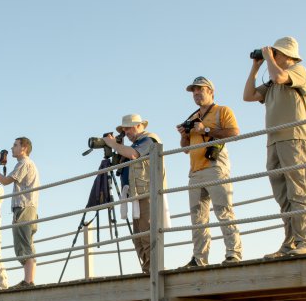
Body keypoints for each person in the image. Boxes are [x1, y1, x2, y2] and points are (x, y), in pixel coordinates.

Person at [243, 36, 306, 257]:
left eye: (276, 53)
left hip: (294, 138)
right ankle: (290, 243)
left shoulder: (297, 71)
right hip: (273, 140)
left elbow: (281, 76)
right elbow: (248, 96)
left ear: (286, 55)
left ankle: (305, 241)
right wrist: (255, 68)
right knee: (283, 196)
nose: (272, 56)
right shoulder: (272, 80)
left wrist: (268, 59)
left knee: (298, 191)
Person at [177, 77, 243, 267]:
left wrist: (205, 128)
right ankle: (199, 258)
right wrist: (184, 135)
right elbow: (185, 148)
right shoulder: (192, 117)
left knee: (223, 211)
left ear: (211, 91)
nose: (196, 93)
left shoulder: (222, 111)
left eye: (200, 90)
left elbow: (234, 133)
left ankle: (233, 253)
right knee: (197, 218)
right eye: (194, 91)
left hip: (215, 167)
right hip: (195, 170)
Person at [103, 115, 165, 274]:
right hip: (137, 195)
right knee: (138, 237)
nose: (126, 132)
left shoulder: (149, 139)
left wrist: (113, 144)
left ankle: (154, 269)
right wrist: (117, 147)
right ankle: (147, 268)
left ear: (139, 126)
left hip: (147, 194)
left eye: (128, 128)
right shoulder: (135, 143)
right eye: (124, 129)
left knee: (146, 233)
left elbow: (133, 155)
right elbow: (120, 164)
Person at [0, 137, 39, 288]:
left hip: (24, 208)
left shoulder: (24, 163)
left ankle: (28, 281)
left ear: (24, 148)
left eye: (15, 145)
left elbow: (5, 181)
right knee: (26, 243)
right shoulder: (27, 163)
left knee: (24, 244)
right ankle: (28, 280)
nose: (12, 148)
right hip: (28, 208)